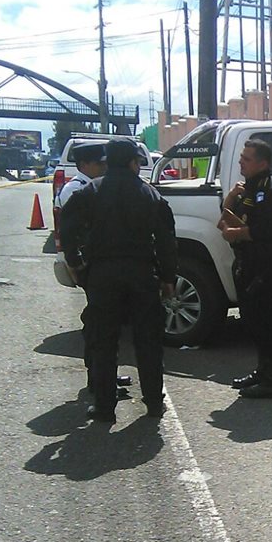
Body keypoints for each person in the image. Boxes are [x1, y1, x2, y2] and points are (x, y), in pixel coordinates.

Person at [61, 138, 177, 423]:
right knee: (148, 341)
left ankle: (104, 407)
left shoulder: (90, 191)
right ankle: (153, 402)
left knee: (104, 341)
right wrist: (167, 277)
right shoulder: (150, 195)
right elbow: (166, 240)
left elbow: (67, 228)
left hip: (102, 275)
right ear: (133, 162)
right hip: (141, 275)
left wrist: (76, 264)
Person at [57, 142, 131, 399]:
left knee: (107, 322)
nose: (104, 167)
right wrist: (77, 264)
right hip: (89, 264)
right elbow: (72, 232)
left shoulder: (94, 188)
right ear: (83, 165)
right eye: (99, 163)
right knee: (99, 325)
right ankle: (98, 379)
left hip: (98, 263)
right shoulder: (75, 190)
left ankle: (105, 375)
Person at [219, 138, 272, 400]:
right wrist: (232, 196)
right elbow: (228, 213)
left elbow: (268, 231)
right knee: (253, 323)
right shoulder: (249, 187)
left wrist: (237, 232)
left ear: (262, 162)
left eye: (246, 159)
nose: (241, 162)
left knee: (268, 325)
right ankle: (262, 372)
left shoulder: (271, 190)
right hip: (247, 264)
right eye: (241, 158)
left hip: (264, 267)